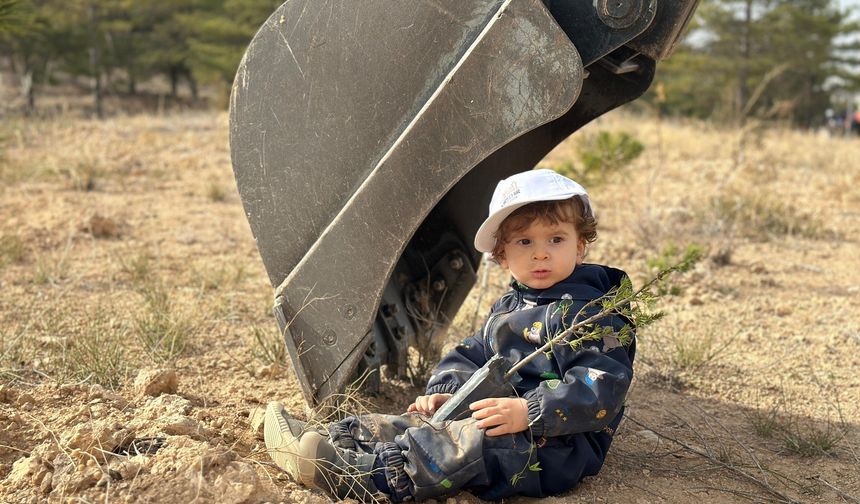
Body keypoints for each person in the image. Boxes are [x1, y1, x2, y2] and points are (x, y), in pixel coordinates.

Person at [264, 169, 635, 502]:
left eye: (556, 239)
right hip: (499, 415)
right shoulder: (512, 306)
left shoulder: (591, 313)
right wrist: (450, 389)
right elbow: (473, 354)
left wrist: (530, 410)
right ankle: (331, 439)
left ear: (580, 246)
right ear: (501, 255)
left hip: (552, 446)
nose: (541, 254)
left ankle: (361, 476)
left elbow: (601, 385)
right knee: (424, 422)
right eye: (525, 242)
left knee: (460, 445)